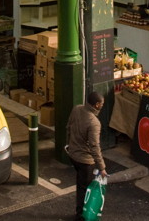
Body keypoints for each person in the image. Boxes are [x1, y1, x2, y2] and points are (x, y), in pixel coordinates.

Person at [66, 91, 107, 221]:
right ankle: (82, 216)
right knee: (85, 189)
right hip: (85, 161)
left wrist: (69, 145)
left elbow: (68, 127)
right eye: (102, 104)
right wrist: (102, 167)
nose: (102, 106)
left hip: (73, 155)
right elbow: (94, 147)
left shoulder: (77, 109)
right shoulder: (94, 122)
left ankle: (79, 213)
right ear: (96, 104)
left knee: (80, 185)